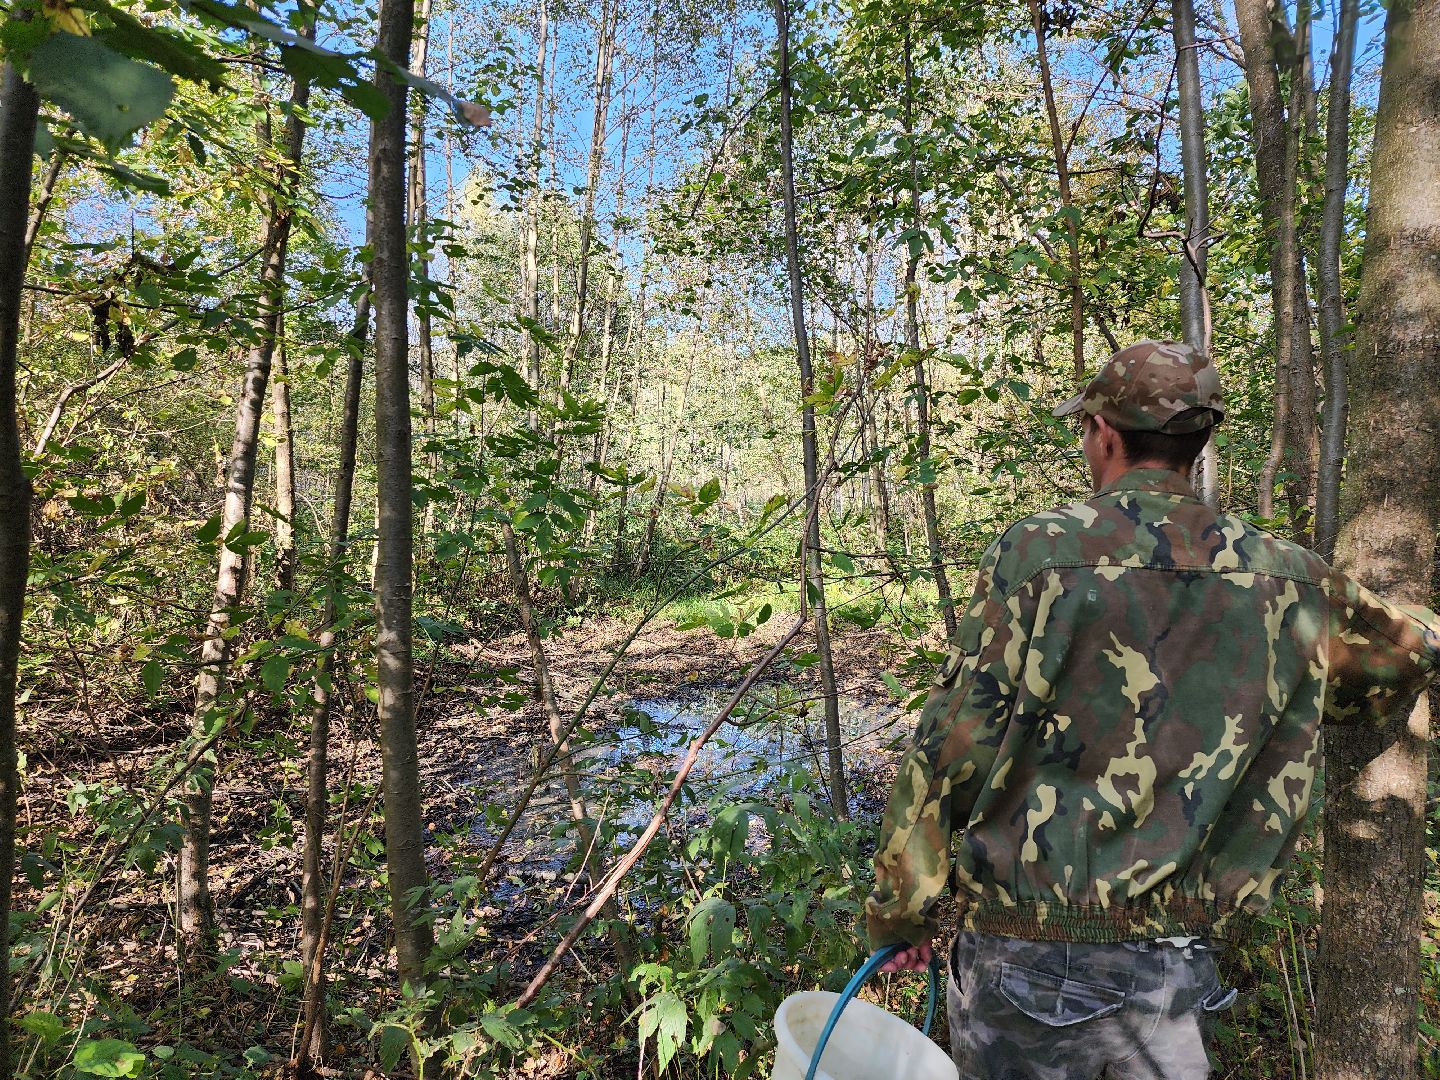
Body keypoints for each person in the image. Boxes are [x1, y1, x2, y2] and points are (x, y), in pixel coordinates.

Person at [866, 340, 1440, 1079]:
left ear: (1104, 433)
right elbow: (1409, 650)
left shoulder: (1040, 555)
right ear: (1198, 443)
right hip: (1176, 965)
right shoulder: (1286, 576)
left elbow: (952, 745)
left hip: (1026, 953)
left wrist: (899, 910)